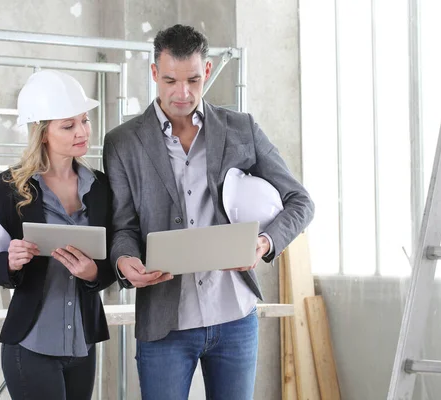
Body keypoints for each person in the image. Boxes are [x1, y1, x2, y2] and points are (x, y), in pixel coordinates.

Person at [104, 24, 314, 400]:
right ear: (154, 73)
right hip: (165, 323)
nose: (182, 93)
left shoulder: (241, 128)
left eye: (194, 80)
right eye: (169, 80)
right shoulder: (122, 143)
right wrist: (124, 261)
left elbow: (301, 201)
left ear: (209, 70)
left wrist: (264, 244)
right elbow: (123, 226)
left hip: (235, 317)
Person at [0, 70, 116, 400]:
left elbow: (113, 257)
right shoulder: (9, 189)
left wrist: (94, 273)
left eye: (84, 120)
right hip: (31, 345)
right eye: (68, 125)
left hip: (82, 345)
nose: (82, 131)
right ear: (42, 132)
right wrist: (9, 262)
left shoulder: (101, 188)